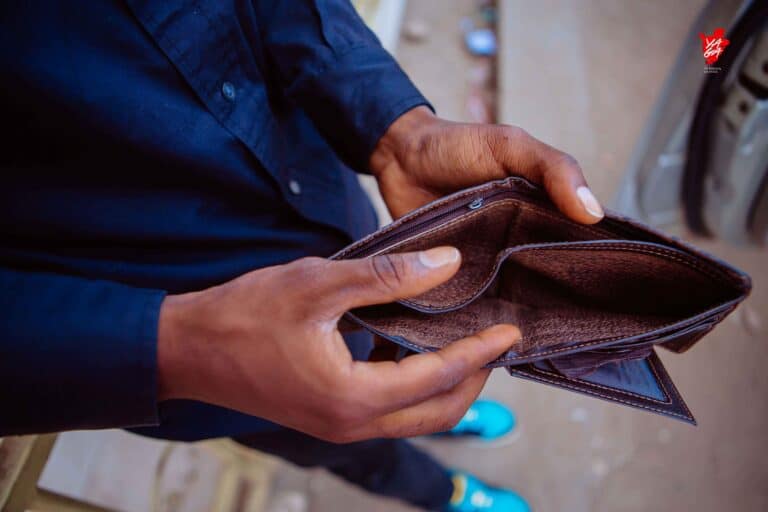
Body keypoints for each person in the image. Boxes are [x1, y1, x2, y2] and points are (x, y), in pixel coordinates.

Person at [0, 2, 604, 511]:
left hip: (324, 203)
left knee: (415, 339)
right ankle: (443, 492)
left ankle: (434, 397)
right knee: (348, 441)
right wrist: (177, 345)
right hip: (207, 356)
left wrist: (398, 130)